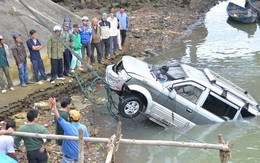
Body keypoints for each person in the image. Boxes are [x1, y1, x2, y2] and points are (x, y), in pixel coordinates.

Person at [49, 97, 90, 163]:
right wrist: (88, 148)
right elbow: (87, 140)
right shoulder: (83, 127)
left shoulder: (67, 126)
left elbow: (58, 117)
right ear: (79, 118)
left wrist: (54, 105)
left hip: (68, 153)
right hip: (78, 152)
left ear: (69, 118)